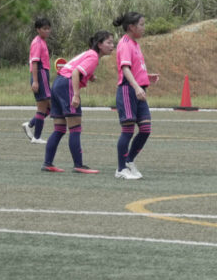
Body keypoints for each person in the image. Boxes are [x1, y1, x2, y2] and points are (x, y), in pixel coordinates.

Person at [42, 31, 113, 174]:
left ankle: (47, 163)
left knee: (59, 129)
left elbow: (75, 66)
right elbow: (75, 73)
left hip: (58, 84)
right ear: (100, 45)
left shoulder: (89, 53)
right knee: (75, 128)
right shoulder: (93, 57)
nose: (112, 46)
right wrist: (76, 95)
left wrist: (90, 76)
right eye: (109, 42)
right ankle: (78, 165)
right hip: (66, 86)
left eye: (113, 43)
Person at [113, 11, 159, 180]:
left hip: (139, 91)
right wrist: (137, 87)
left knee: (145, 129)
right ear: (131, 27)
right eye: (141, 24)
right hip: (128, 90)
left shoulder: (135, 44)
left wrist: (146, 78)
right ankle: (121, 169)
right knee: (128, 130)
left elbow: (134, 68)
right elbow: (125, 68)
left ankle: (129, 160)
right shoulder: (125, 43)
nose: (144, 27)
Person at [21, 17, 52, 144]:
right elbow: (34, 62)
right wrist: (35, 81)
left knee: (49, 107)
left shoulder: (42, 41)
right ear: (38, 29)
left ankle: (30, 125)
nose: (47, 31)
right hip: (40, 74)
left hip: (44, 74)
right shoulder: (37, 42)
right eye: (44, 29)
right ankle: (36, 137)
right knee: (43, 107)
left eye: (49, 28)